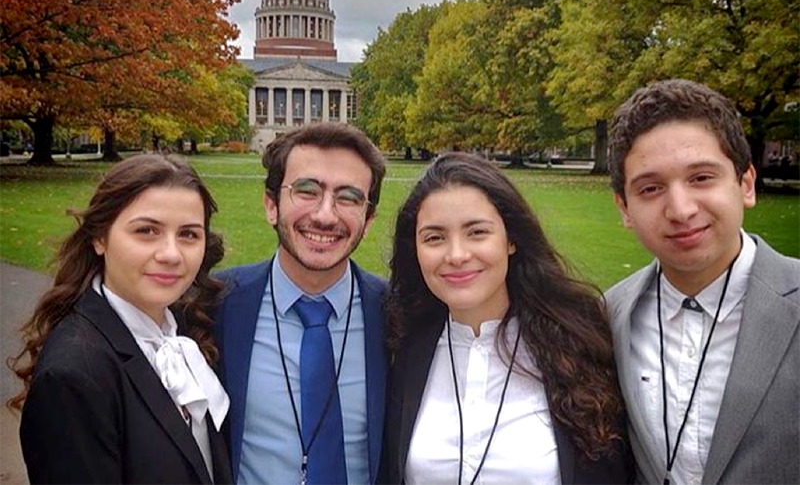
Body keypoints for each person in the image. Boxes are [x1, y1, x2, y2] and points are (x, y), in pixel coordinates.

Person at [384, 152, 631, 485]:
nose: (457, 255)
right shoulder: (402, 348)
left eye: (477, 232)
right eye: (434, 237)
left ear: (511, 239)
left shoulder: (580, 343)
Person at [605, 79, 800, 485]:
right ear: (624, 208)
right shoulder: (608, 316)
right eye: (651, 188)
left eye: (701, 178)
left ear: (746, 184)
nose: (680, 209)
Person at [8, 154, 232, 485]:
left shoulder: (183, 329)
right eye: (146, 231)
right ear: (100, 237)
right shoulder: (73, 374)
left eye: (188, 234)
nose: (171, 254)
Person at [215, 123, 387, 485]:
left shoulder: (397, 315)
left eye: (349, 198)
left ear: (368, 220)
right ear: (271, 205)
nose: (325, 215)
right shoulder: (214, 305)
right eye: (307, 191)